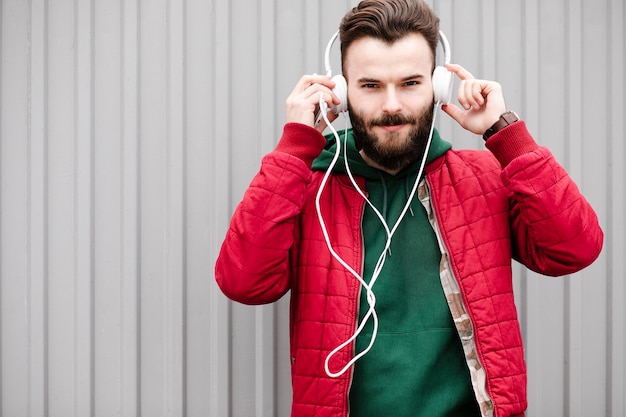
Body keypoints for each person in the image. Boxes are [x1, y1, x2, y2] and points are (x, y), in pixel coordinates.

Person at [214, 0, 603, 416]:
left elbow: (574, 250)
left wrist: (507, 135)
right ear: (341, 93)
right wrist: (294, 147)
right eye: (371, 85)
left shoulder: (482, 178)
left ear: (437, 86)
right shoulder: (307, 186)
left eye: (411, 83)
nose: (392, 105)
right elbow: (244, 283)